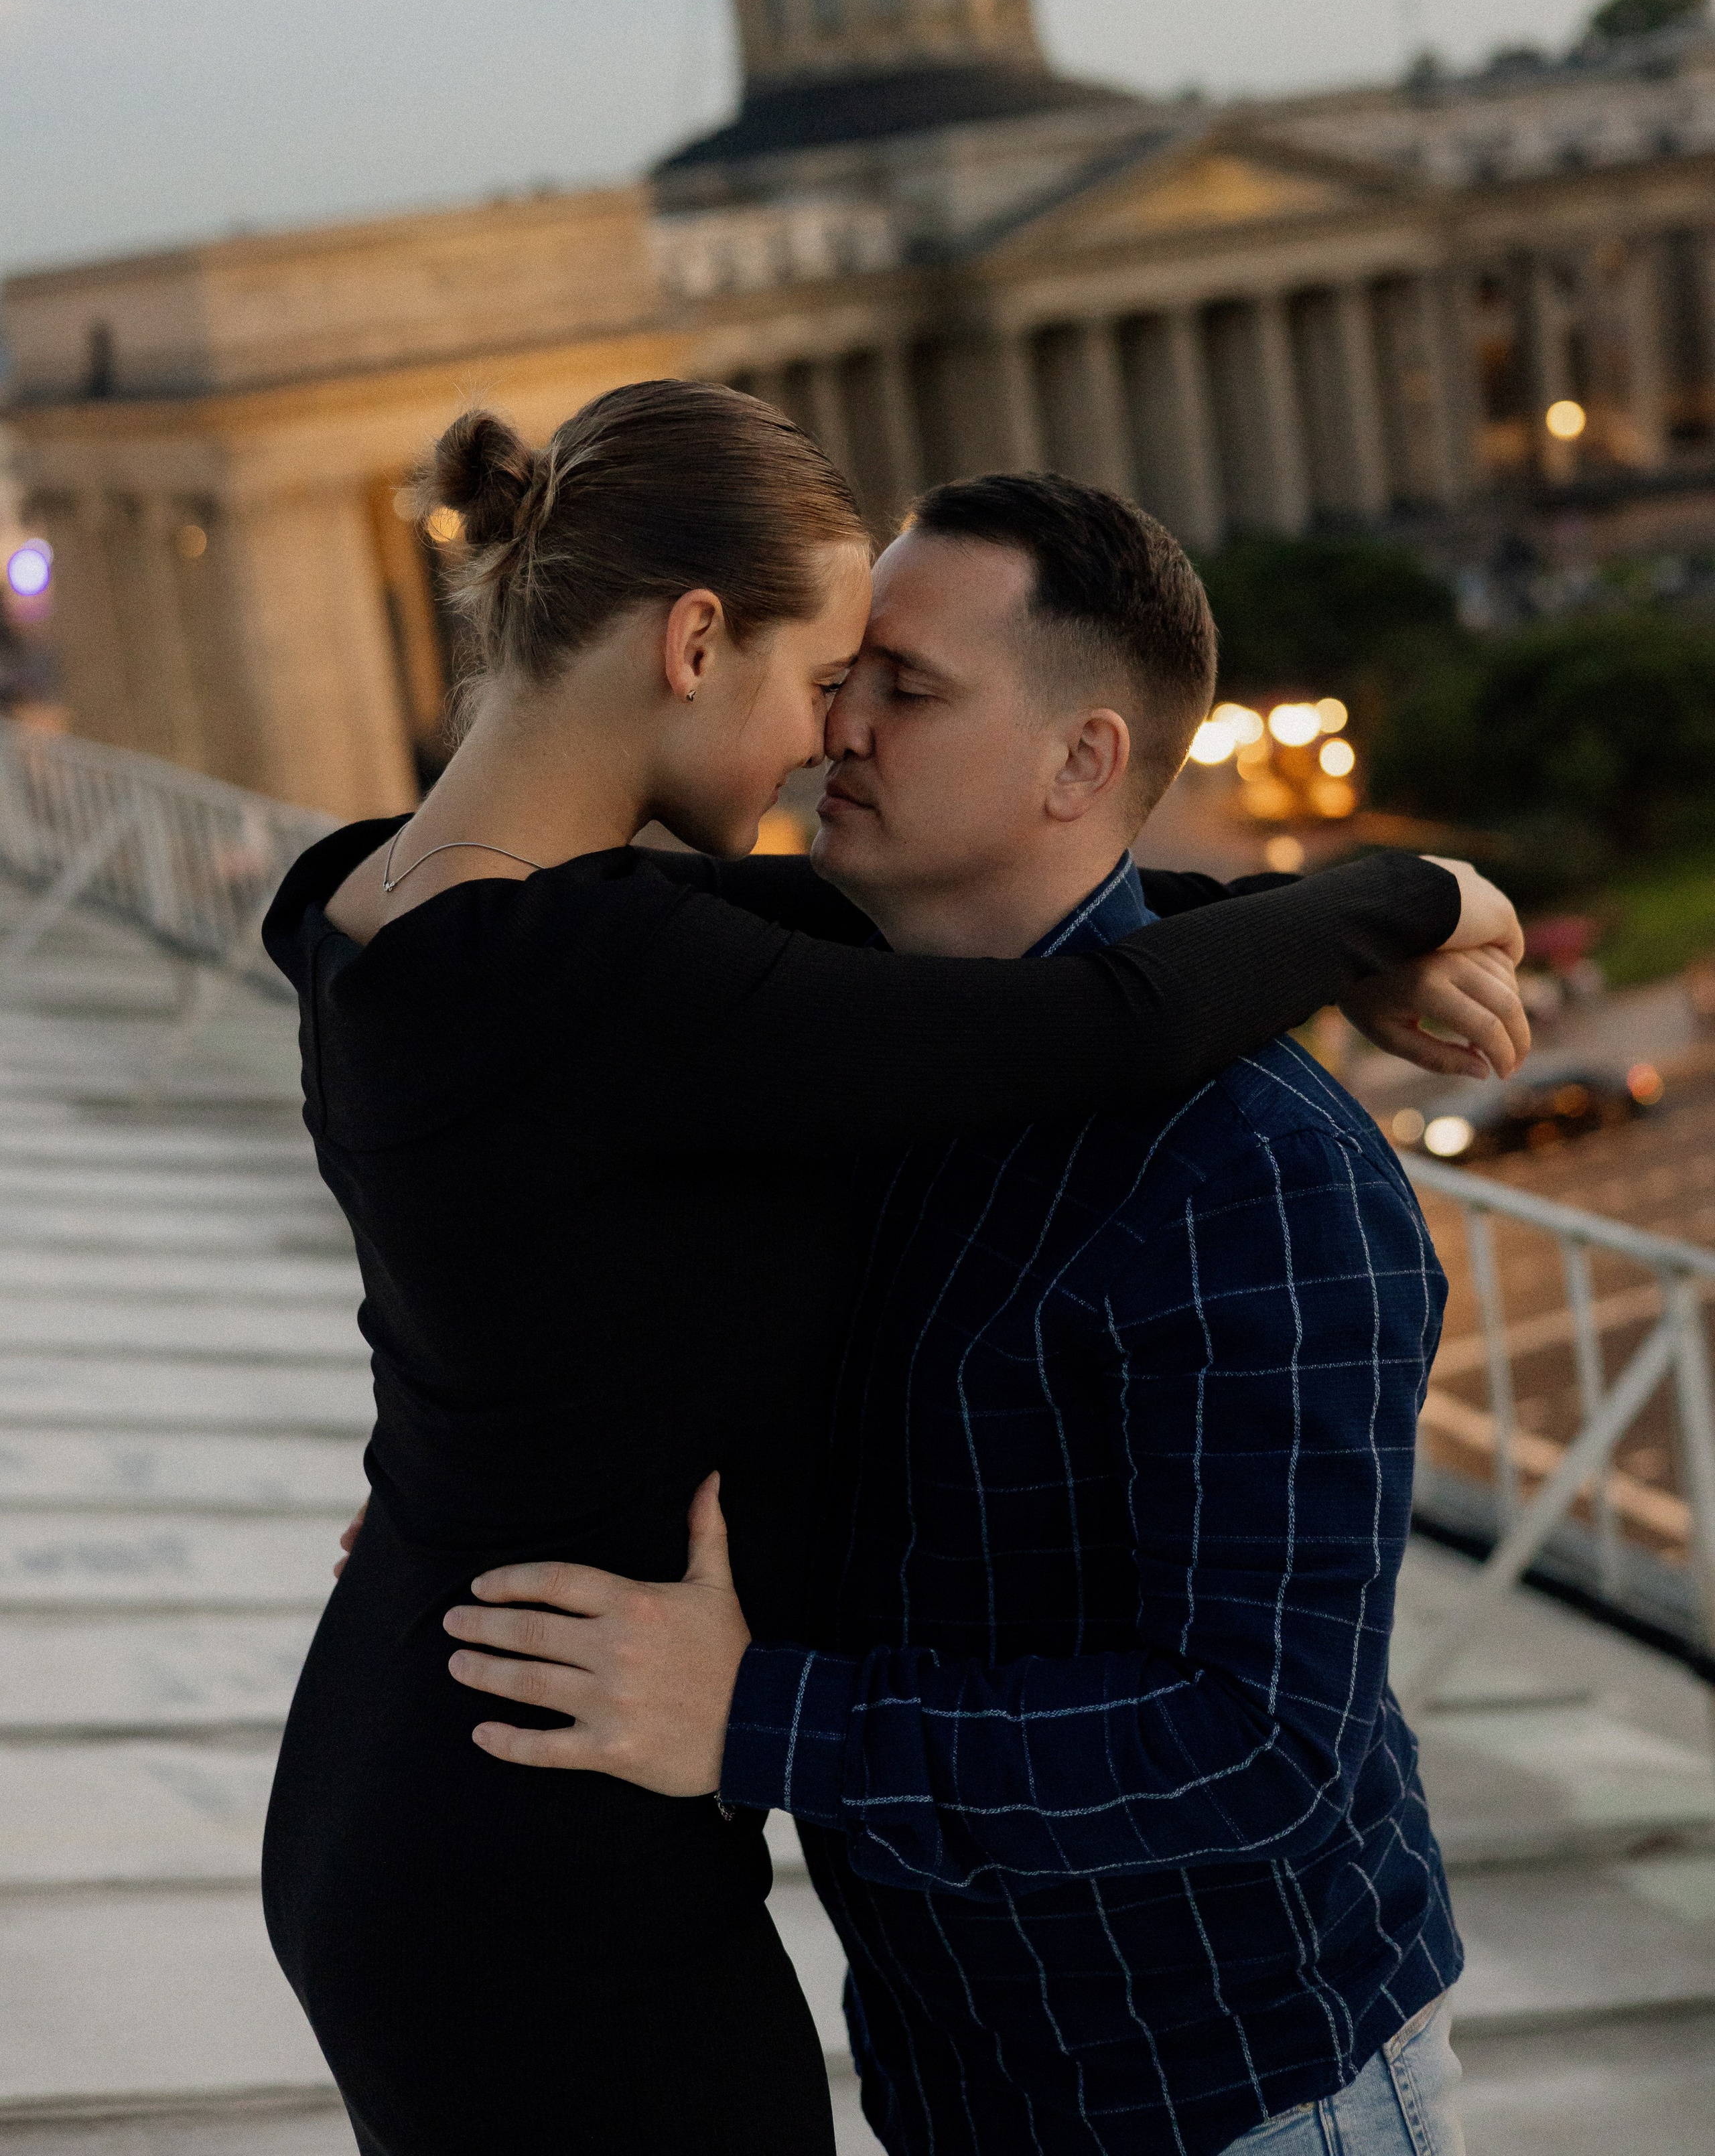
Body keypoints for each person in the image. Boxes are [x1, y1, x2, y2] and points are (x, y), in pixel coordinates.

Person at [263, 380, 1517, 2156]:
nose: (828, 730)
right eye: (829, 671)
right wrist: (1407, 896)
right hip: (704, 1917)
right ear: (695, 639)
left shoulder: (1239, 1169)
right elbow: (1081, 1014)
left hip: (1202, 2081)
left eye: (898, 686)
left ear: (1084, 760)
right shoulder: (689, 1002)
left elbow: (1262, 1743)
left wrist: (636, 1606)